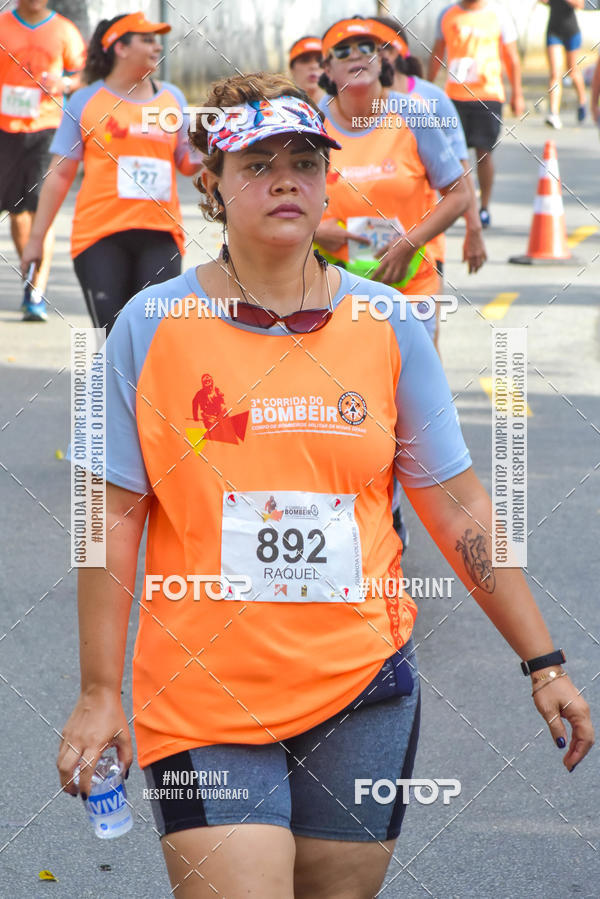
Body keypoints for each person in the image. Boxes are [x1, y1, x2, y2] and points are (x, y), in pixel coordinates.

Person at [56, 71, 593, 898]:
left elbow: (458, 512)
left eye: (305, 162)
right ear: (212, 185)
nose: (284, 180)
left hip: (363, 689)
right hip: (203, 692)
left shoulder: (387, 322)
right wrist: (99, 690)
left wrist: (544, 660)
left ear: (326, 181)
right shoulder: (150, 325)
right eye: (257, 163)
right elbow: (109, 518)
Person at [21, 12, 201, 335]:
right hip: (99, 236)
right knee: (114, 336)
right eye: (147, 39)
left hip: (161, 235)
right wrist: (36, 240)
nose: (157, 47)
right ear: (120, 47)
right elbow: (60, 175)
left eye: (157, 40)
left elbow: (187, 162)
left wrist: (213, 148)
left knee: (155, 337)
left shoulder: (173, 98)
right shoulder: (86, 101)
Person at [315, 16, 470, 342]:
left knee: (414, 386)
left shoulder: (412, 113)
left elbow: (459, 194)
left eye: (366, 47)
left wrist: (408, 244)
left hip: (410, 283)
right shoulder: (313, 122)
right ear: (327, 69)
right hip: (335, 285)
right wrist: (313, 231)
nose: (356, 55)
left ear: (381, 59)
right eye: (342, 51)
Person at [371, 16, 486, 351]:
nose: (379, 55)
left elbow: (460, 171)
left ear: (402, 52)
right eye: (370, 48)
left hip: (422, 248)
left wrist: (474, 229)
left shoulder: (430, 100)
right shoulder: (340, 107)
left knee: (419, 352)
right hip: (357, 254)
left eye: (387, 47)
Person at [0, 0, 86, 321]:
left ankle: (37, 289)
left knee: (39, 208)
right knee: (18, 213)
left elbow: (83, 75)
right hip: (5, 129)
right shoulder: (3, 26)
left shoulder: (64, 29)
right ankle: (29, 275)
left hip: (47, 128)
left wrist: (63, 84)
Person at [428, 0, 525, 228]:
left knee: (484, 154)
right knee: (451, 156)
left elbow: (512, 57)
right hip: (454, 97)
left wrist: (517, 93)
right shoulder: (447, 14)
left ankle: (483, 207)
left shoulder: (498, 14)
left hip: (488, 95)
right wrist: (424, 89)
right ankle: (453, 207)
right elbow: (436, 55)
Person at [539, 0, 586, 129]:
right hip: (553, 31)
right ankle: (553, 113)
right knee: (555, 73)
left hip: (571, 31)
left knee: (572, 71)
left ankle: (582, 101)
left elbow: (580, 4)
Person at [289, 35, 325, 105]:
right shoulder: (280, 106)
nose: (314, 66)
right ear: (292, 69)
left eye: (320, 60)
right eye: (305, 60)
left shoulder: (344, 106)